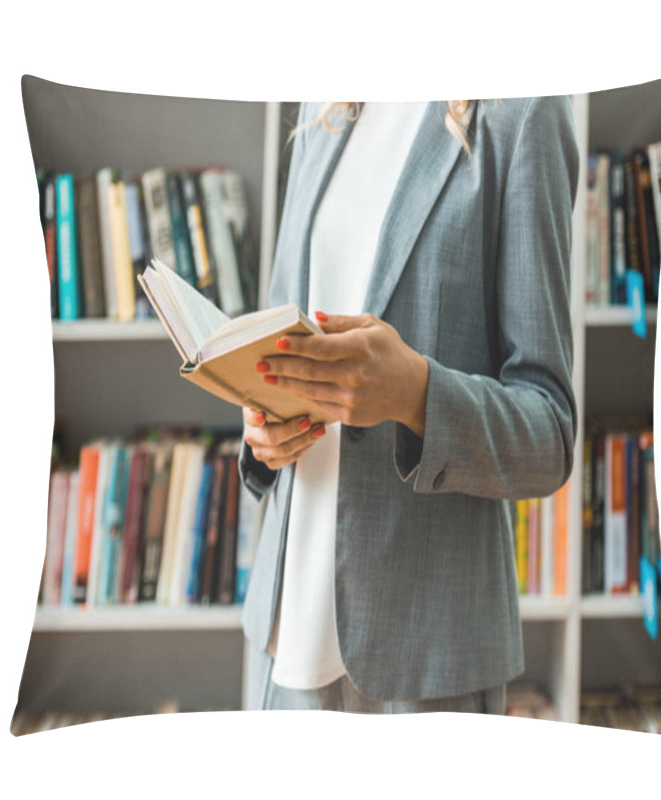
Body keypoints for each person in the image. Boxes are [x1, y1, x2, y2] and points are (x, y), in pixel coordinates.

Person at [238, 97, 579, 714]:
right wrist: (262, 425)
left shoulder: (523, 112)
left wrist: (417, 394)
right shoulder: (324, 106)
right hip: (290, 629)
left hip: (429, 652)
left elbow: (549, 432)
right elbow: (279, 336)